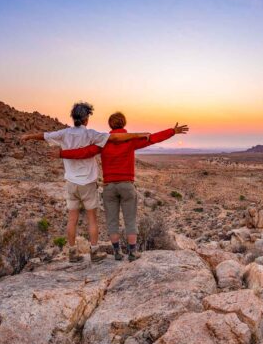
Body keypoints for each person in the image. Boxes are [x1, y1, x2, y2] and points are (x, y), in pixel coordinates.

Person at [20, 102, 150, 263]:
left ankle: (73, 252)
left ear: (73, 117)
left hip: (71, 182)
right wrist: (138, 135)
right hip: (87, 182)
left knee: (72, 218)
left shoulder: (64, 133)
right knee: (92, 219)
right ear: (86, 118)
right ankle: (94, 251)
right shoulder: (91, 135)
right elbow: (116, 137)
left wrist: (29, 136)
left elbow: (44, 135)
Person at [54, 112, 188, 261]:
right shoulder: (131, 140)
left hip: (109, 187)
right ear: (123, 123)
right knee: (130, 220)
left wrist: (61, 153)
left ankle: (117, 252)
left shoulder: (103, 142)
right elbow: (153, 138)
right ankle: (132, 252)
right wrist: (172, 131)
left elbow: (84, 152)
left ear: (110, 125)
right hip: (127, 185)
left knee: (112, 221)